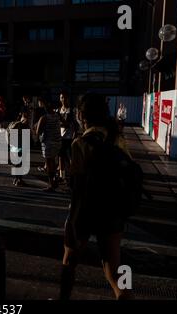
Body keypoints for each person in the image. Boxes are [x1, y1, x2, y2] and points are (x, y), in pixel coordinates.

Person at [60, 92, 132, 300]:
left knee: (69, 263)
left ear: (82, 115)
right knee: (114, 271)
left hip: (85, 212)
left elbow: (77, 188)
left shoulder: (80, 143)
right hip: (112, 212)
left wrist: (72, 222)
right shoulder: (117, 138)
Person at [36, 99, 62, 192]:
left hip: (48, 143)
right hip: (57, 142)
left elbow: (38, 132)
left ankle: (51, 185)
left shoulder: (44, 118)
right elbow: (64, 123)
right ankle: (55, 181)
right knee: (53, 163)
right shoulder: (57, 115)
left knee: (49, 164)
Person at [58, 91, 77, 182]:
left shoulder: (71, 110)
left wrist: (60, 121)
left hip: (69, 137)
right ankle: (62, 176)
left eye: (65, 97)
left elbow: (68, 124)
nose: (63, 99)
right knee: (61, 157)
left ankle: (72, 176)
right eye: (62, 97)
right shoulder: (59, 110)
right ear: (60, 99)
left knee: (70, 158)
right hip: (61, 137)